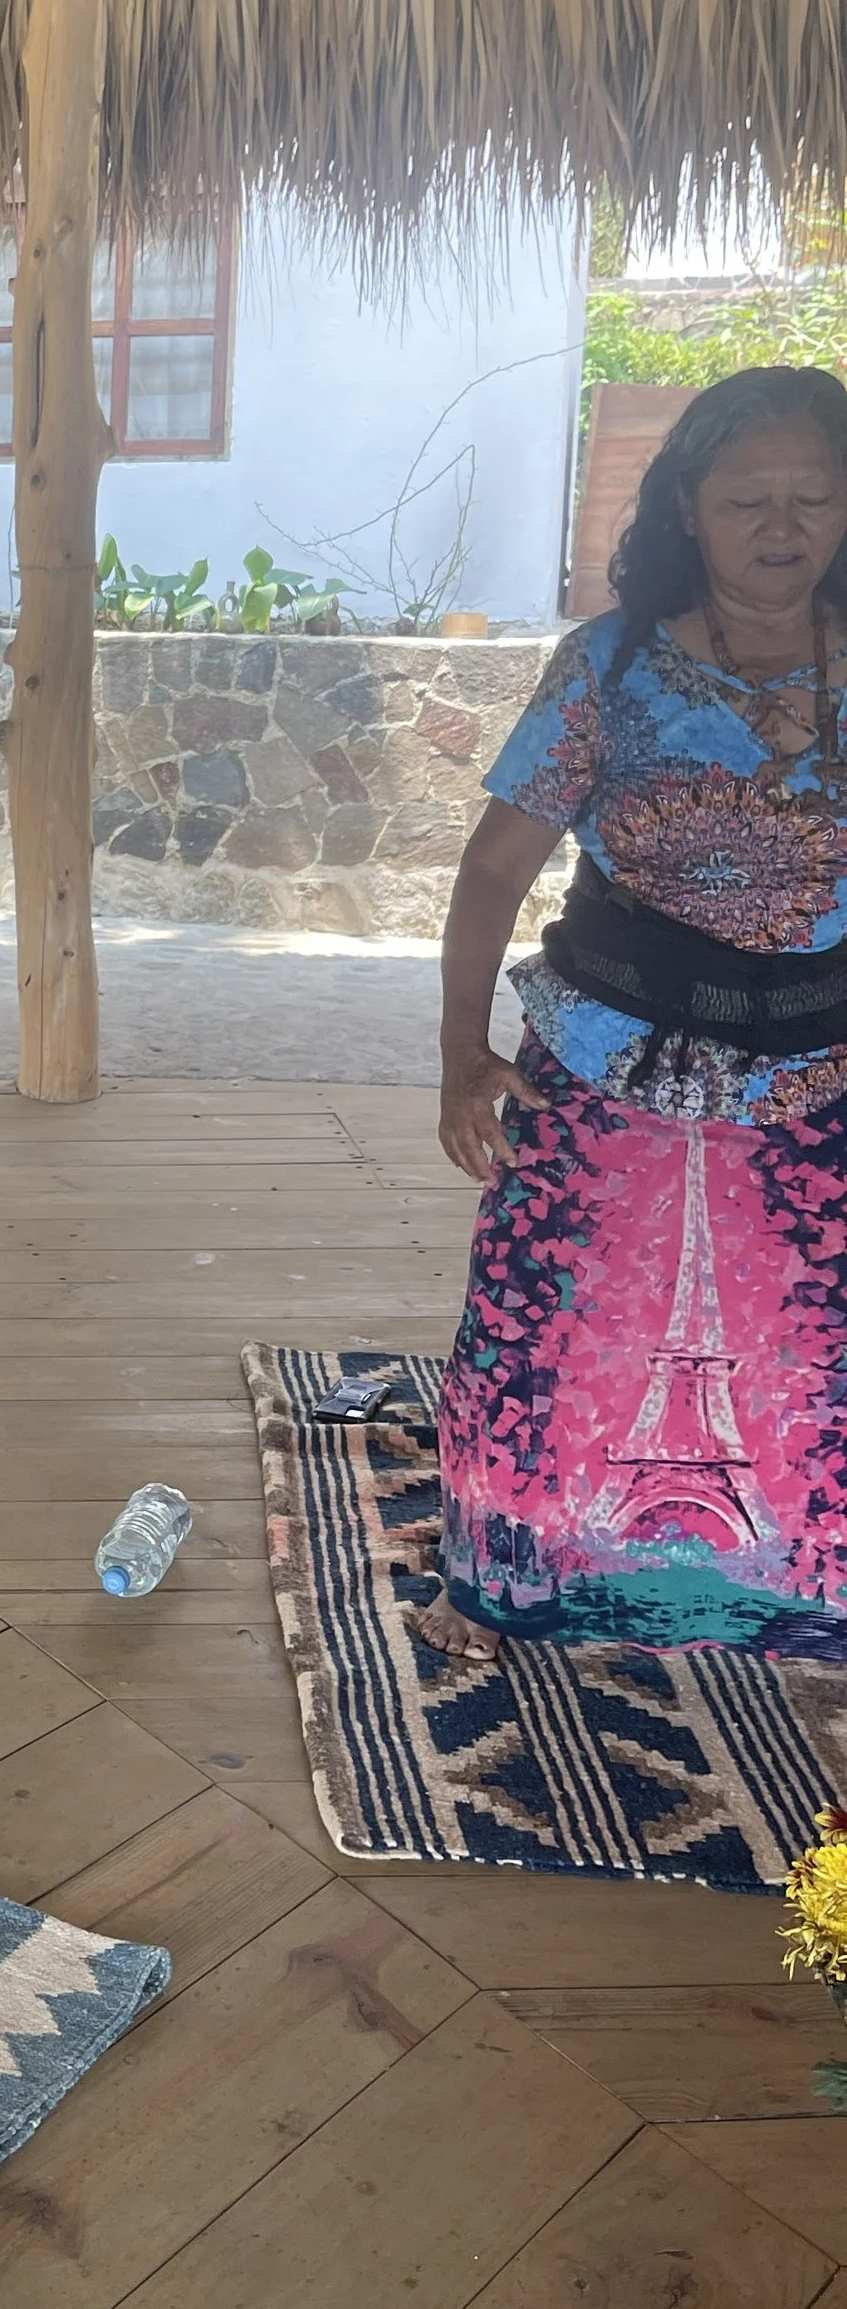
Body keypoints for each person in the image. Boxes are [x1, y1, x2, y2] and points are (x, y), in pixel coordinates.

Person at [430, 364, 847, 1661]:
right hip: (609, 1048)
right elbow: (494, 869)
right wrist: (461, 1060)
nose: (781, 529)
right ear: (686, 507)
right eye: (746, 501)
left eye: (812, 499)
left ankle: (804, 1593)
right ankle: (505, 1576)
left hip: (816, 1065)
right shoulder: (606, 668)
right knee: (542, 1320)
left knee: (816, 1345)